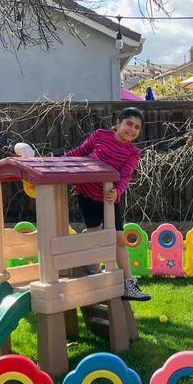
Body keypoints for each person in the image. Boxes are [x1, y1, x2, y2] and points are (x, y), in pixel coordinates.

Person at [64, 107, 150, 301]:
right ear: (119, 122)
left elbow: (125, 175)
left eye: (137, 127)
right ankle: (94, 275)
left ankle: (129, 284)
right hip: (87, 194)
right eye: (129, 124)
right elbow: (80, 152)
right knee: (96, 236)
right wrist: (58, 162)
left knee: (119, 239)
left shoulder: (132, 152)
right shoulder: (100, 136)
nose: (132, 130)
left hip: (109, 198)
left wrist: (117, 191)